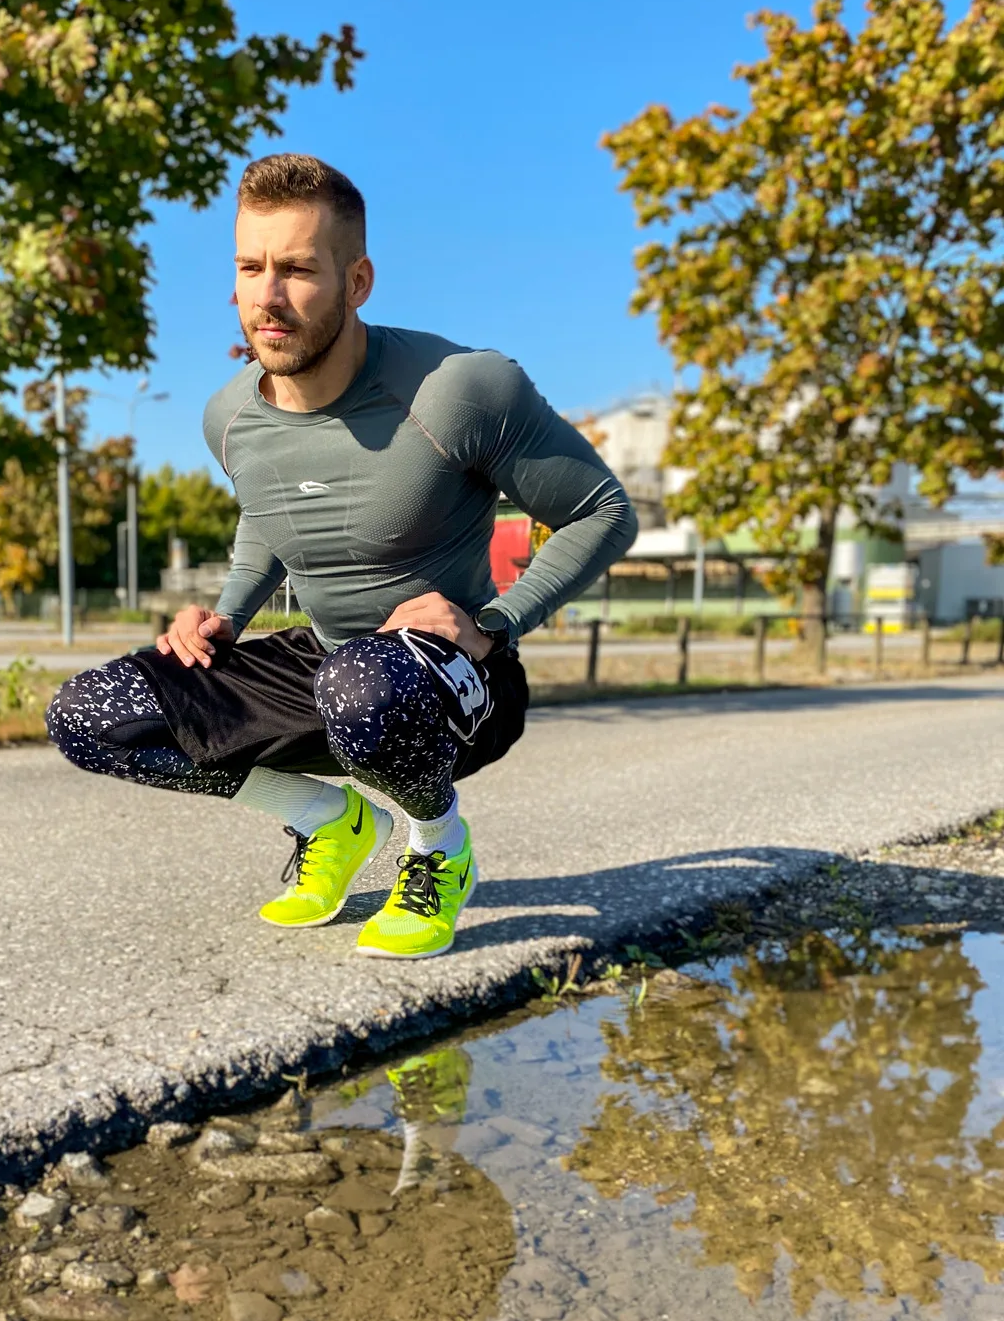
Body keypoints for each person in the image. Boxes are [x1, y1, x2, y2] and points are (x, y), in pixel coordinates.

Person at [48, 154, 636, 959]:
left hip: (452, 684)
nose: (266, 296)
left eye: (296, 269)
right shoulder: (229, 415)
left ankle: (438, 847)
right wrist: (226, 616)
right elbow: (272, 512)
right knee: (88, 715)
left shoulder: (460, 390)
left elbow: (602, 512)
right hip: (327, 669)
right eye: (250, 267)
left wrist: (493, 623)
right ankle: (330, 818)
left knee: (360, 683)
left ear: (357, 281)